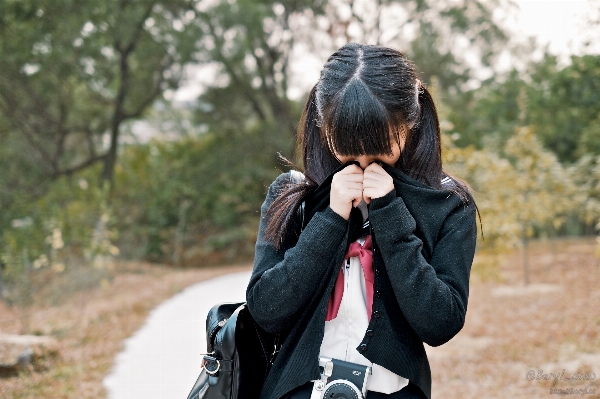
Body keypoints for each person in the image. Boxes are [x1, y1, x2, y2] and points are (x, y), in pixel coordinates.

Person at [246, 43, 478, 399]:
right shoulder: (292, 194)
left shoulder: (446, 203)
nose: (364, 162)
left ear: (410, 124)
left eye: (380, 148)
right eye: (348, 148)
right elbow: (267, 310)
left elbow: (440, 323)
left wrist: (389, 213)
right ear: (324, 127)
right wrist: (330, 218)